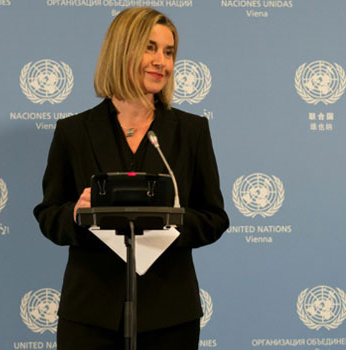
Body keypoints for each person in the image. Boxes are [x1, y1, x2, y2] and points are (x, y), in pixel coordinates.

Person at [33, 7, 229, 350]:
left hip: (170, 314)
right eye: (150, 48)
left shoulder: (192, 131)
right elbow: (49, 215)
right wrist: (76, 214)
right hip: (90, 314)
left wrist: (169, 221)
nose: (161, 62)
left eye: (168, 52)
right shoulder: (73, 132)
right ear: (122, 50)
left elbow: (214, 218)